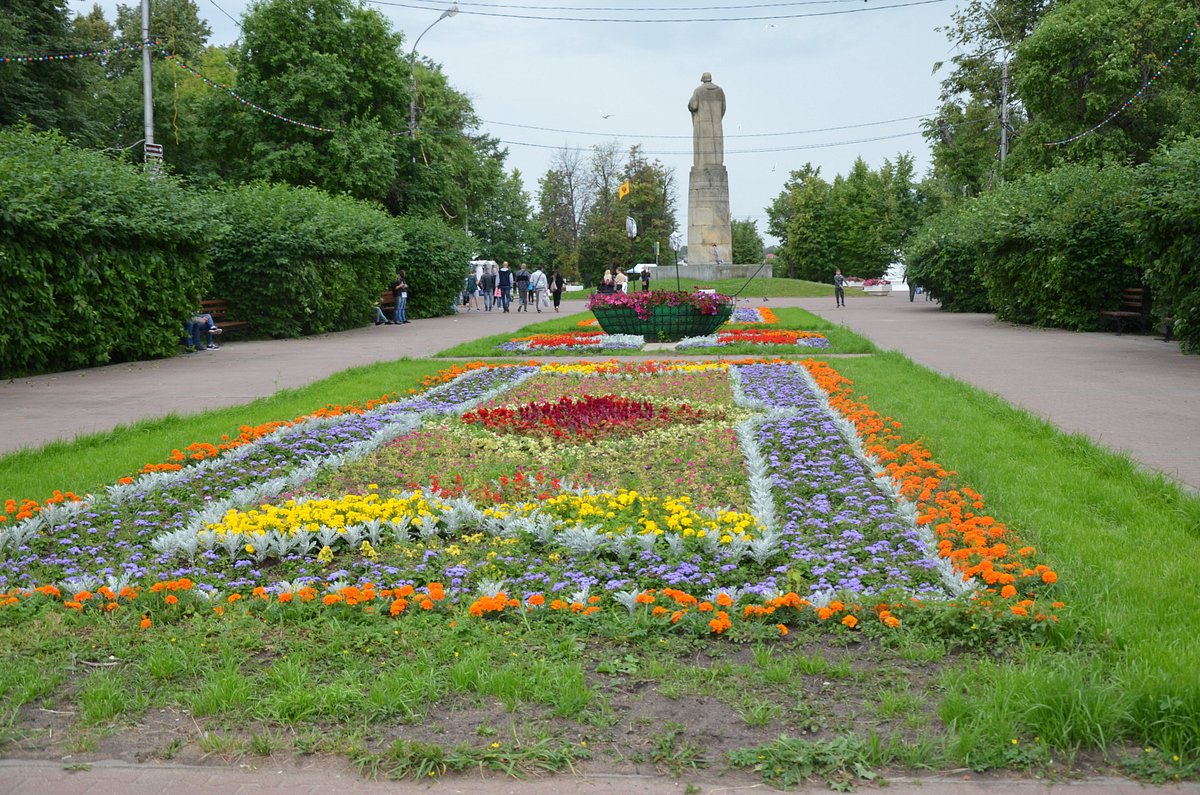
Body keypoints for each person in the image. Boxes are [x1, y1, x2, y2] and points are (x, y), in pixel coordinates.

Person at [688, 72, 726, 168]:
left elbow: (693, 106)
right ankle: (717, 164)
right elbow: (723, 108)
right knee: (716, 145)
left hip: (702, 126)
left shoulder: (698, 91)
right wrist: (717, 118)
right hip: (717, 125)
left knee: (701, 147)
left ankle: (701, 165)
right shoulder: (720, 91)